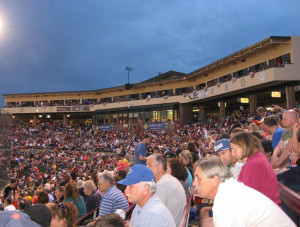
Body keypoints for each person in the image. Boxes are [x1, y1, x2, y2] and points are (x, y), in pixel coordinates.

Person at [193, 156, 295, 227]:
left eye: (198, 178)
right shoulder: (229, 190)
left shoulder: (226, 202)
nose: (194, 183)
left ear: (215, 180)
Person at [230, 132, 281, 205]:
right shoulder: (257, 158)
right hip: (264, 207)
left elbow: (245, 196)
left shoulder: (254, 164)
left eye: (234, 149)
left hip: (264, 210)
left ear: (244, 147)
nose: (232, 154)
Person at [146, 154, 186, 227]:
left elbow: (154, 215)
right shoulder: (167, 180)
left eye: (149, 165)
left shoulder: (163, 184)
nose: (147, 168)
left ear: (159, 167)